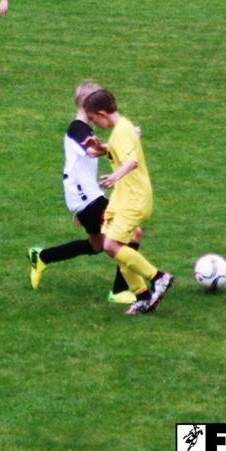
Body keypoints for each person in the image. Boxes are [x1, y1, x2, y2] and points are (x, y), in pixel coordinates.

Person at [28, 82, 140, 305]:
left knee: (97, 245)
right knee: (133, 233)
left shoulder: (82, 129)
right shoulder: (78, 128)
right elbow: (92, 151)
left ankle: (42, 256)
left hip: (83, 197)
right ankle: (119, 291)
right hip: (86, 198)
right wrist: (126, 138)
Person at [82, 88, 174, 315]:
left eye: (93, 118)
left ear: (102, 113)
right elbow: (119, 149)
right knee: (117, 246)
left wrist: (114, 176)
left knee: (111, 245)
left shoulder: (122, 131)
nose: (93, 123)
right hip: (123, 198)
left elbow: (131, 161)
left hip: (133, 198)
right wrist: (100, 149)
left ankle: (159, 278)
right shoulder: (122, 128)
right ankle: (142, 296)